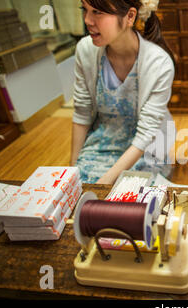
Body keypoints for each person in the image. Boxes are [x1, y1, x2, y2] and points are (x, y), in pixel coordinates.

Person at [70, 0, 176, 184]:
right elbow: (82, 112)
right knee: (79, 182)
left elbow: (146, 135)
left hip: (147, 147)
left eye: (97, 12)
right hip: (103, 140)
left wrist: (103, 184)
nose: (87, 20)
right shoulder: (85, 50)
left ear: (130, 16)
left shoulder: (159, 63)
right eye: (84, 10)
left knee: (135, 193)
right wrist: (71, 172)